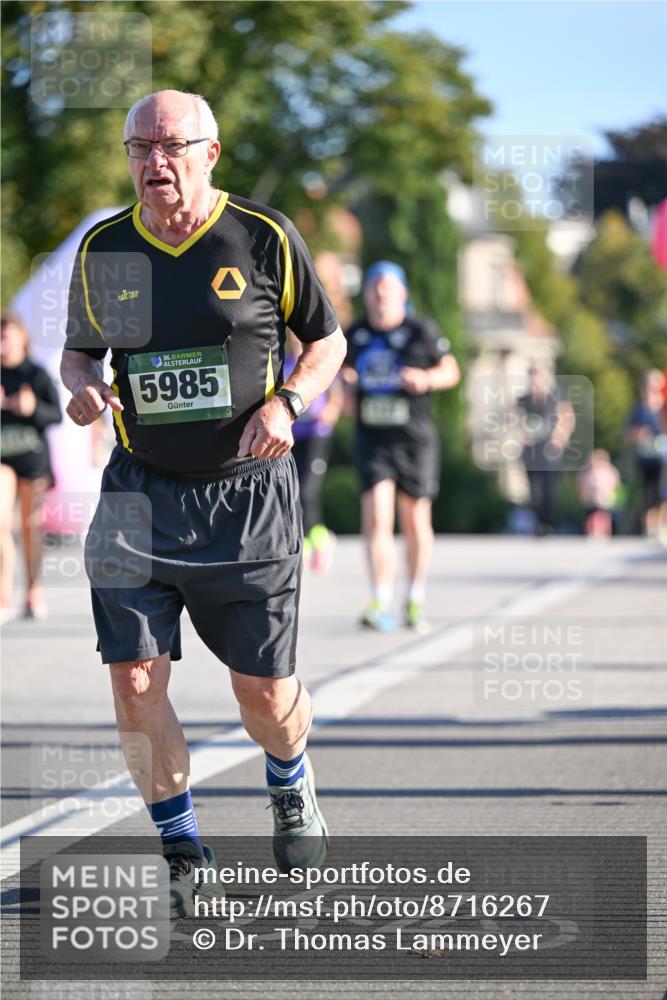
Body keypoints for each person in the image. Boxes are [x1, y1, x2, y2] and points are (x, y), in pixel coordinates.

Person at [59, 90, 346, 916]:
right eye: (138, 147)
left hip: (247, 497)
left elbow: (325, 342)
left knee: (262, 696)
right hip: (138, 492)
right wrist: (81, 392)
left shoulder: (262, 236)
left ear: (209, 153)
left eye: (170, 145)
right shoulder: (106, 250)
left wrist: (286, 404)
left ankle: (290, 778)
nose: (153, 162)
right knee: (134, 678)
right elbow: (80, 356)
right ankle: (181, 843)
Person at [343, 261, 460, 633]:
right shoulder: (355, 333)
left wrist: (425, 378)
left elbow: (451, 371)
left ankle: (414, 595)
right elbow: (338, 371)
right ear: (366, 294)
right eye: (374, 286)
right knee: (377, 515)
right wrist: (343, 384)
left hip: (414, 438)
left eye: (387, 287)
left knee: (414, 519)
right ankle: (379, 597)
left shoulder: (420, 331)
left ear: (402, 294)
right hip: (372, 436)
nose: (380, 293)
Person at [1, 312, 62, 621]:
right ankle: (3, 596)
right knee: (0, 523)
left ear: (21, 339)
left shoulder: (35, 374)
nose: (2, 344)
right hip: (3, 461)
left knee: (29, 526)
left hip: (33, 461)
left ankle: (33, 591)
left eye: (6, 337)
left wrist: (31, 408)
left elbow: (57, 415)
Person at [284, 330, 344, 572]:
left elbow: (336, 396)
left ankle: (319, 539)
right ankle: (305, 540)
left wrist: (328, 414)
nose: (296, 339)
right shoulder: (283, 361)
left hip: (316, 434)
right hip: (290, 436)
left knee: (308, 490)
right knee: (293, 490)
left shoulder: (318, 360)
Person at [516, 365, 575, 536]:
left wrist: (559, 440)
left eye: (539, 375)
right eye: (533, 376)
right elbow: (515, 419)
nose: (536, 380)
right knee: (533, 490)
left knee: (548, 489)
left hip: (549, 450)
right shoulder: (524, 400)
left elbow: (567, 418)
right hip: (531, 451)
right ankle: (539, 523)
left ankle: (548, 524)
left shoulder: (555, 397)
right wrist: (521, 433)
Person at [626, 369, 667, 538]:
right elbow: (628, 432)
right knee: (648, 492)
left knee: (662, 491)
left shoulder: (664, 407)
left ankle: (662, 526)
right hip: (645, 456)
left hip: (663, 455)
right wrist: (639, 434)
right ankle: (650, 528)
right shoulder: (639, 408)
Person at [577, 449, 621, 537]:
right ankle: (592, 530)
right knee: (592, 514)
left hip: (605, 499)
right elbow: (581, 486)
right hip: (590, 499)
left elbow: (615, 485)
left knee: (604, 513)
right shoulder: (586, 472)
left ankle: (605, 530)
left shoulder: (610, 471)